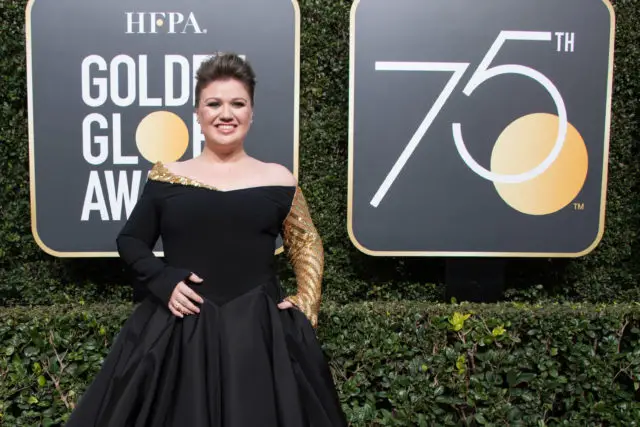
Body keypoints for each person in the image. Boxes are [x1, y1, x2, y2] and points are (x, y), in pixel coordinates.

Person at [66, 53, 347, 426]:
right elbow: (131, 239)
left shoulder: (279, 179)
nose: (225, 114)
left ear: (251, 112)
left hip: (260, 337)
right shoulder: (167, 177)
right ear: (197, 113)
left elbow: (306, 241)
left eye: (237, 104)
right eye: (213, 104)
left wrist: (307, 299)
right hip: (180, 328)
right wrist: (163, 280)